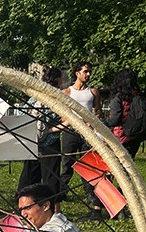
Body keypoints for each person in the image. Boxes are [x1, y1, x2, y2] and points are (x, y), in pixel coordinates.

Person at [60, 62, 103, 219]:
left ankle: (92, 199)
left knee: (87, 165)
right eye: (85, 71)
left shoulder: (93, 92)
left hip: (88, 133)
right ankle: (61, 194)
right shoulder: (66, 92)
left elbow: (98, 111)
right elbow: (62, 114)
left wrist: (92, 121)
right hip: (70, 132)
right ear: (77, 73)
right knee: (67, 163)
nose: (88, 74)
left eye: (89, 71)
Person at [17, 66, 64, 198]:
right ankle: (52, 207)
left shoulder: (35, 97)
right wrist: (50, 130)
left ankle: (24, 204)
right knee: (51, 177)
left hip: (33, 140)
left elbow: (22, 114)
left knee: (29, 175)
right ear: (59, 79)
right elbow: (68, 120)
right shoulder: (59, 98)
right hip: (51, 142)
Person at [103, 68, 143, 159]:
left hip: (120, 137)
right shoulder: (138, 96)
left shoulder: (118, 98)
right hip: (135, 136)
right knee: (129, 166)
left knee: (117, 168)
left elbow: (114, 120)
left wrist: (100, 122)